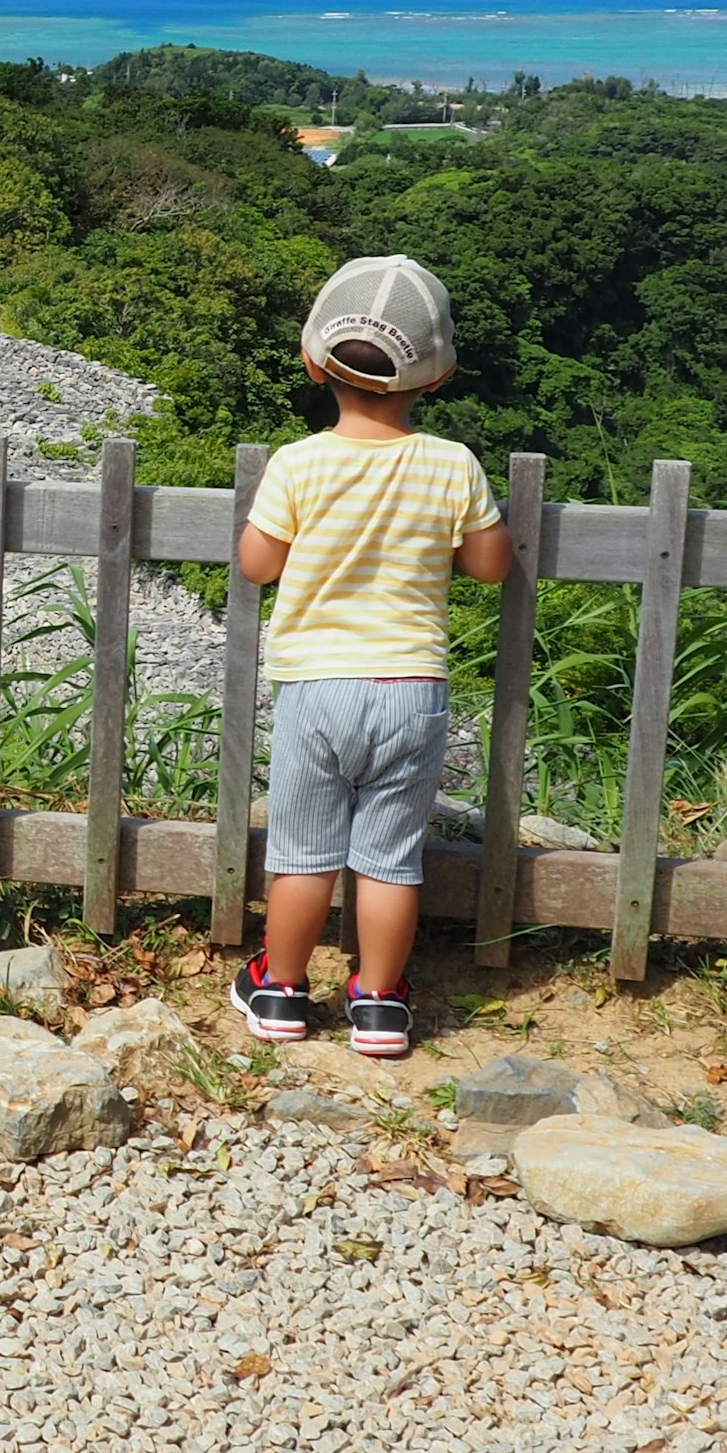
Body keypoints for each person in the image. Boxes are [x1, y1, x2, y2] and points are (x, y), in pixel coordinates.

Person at [224, 254, 512, 1056]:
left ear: (314, 362)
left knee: (304, 853)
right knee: (388, 858)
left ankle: (280, 991)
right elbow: (490, 566)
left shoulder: (299, 462)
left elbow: (257, 564)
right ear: (442, 374)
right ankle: (380, 1003)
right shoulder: (453, 465)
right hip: (411, 688)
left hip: (317, 686)